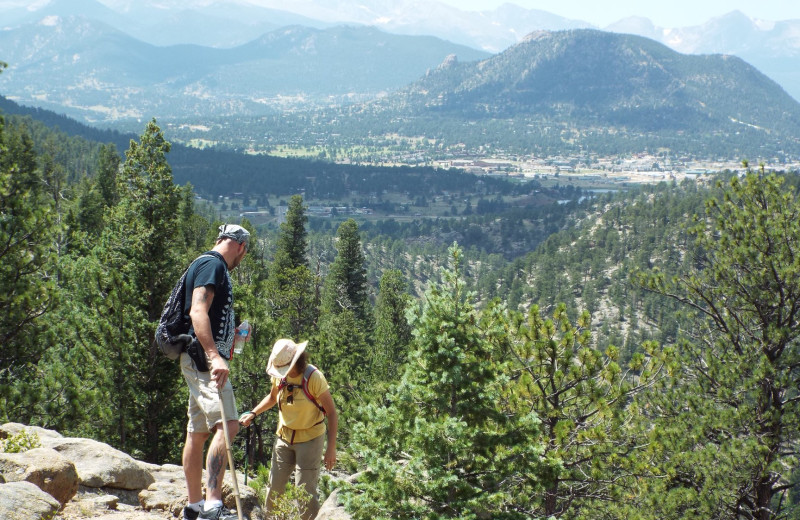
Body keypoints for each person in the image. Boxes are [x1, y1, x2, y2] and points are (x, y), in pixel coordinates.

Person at [181, 224, 250, 520]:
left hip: (197, 358)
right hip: (206, 361)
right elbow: (197, 311)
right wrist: (214, 356)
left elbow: (206, 314)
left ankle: (194, 507)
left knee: (197, 432)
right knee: (229, 424)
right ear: (240, 247)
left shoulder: (206, 263)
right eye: (243, 254)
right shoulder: (214, 265)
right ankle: (212, 506)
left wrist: (230, 336)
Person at [240, 338, 338, 520]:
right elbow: (271, 398)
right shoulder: (279, 377)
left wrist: (330, 448)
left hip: (310, 439)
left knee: (304, 492)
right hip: (284, 437)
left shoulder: (314, 378)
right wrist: (253, 413)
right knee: (274, 489)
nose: (282, 373)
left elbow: (332, 413)